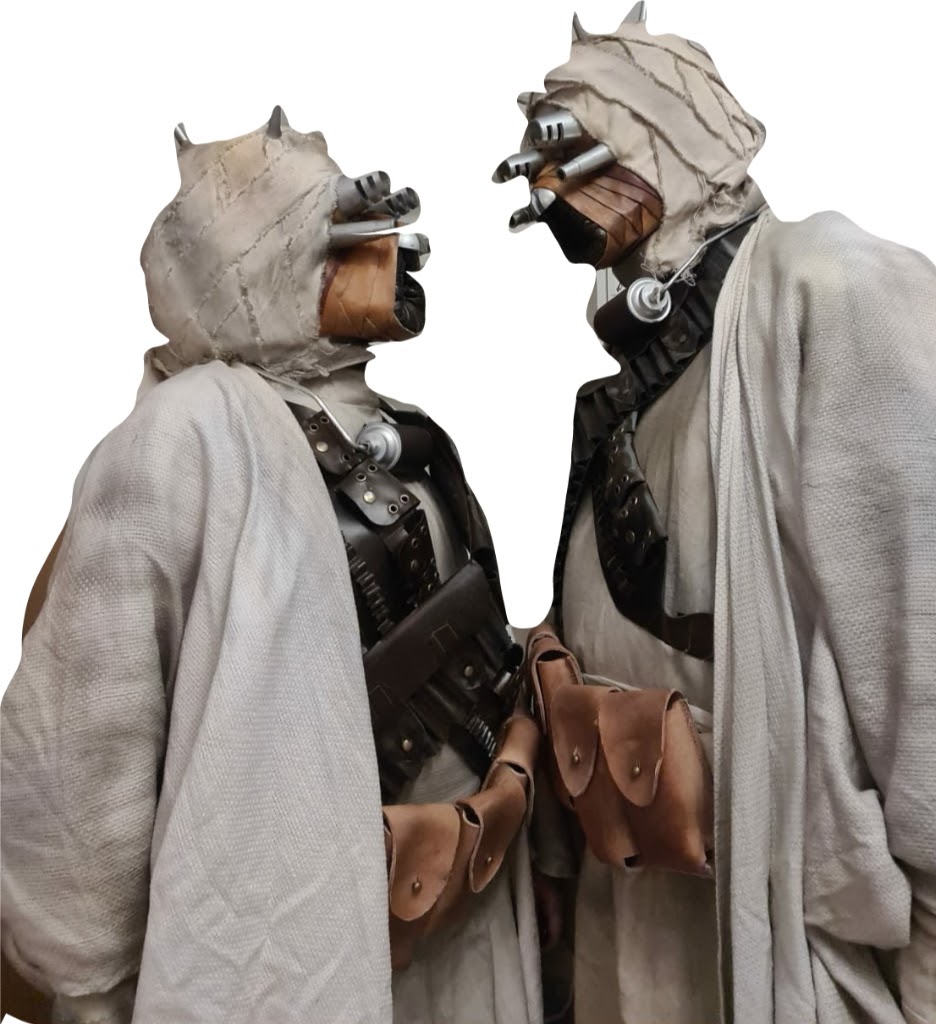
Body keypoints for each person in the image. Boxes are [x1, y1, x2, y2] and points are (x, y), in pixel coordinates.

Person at [495, 6, 936, 1022]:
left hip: (781, 912)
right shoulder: (631, 387)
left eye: (572, 157)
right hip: (626, 900)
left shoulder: (830, 289)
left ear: (666, 141)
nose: (552, 197)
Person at [2, 109, 542, 1024]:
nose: (391, 258)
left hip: (467, 910)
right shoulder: (185, 439)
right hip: (290, 941)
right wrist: (88, 982)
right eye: (349, 242)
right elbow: (86, 745)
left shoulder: (402, 427)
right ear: (265, 264)